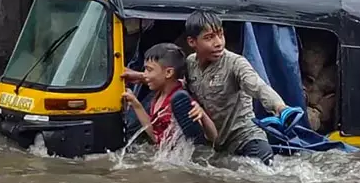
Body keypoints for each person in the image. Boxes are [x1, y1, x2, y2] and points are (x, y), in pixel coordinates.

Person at [123, 11, 289, 165]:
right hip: (214, 144)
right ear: (192, 42)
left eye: (220, 35)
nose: (218, 43)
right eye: (209, 38)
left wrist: (281, 108)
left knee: (267, 169)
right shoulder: (190, 63)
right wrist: (138, 76)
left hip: (244, 138)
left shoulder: (235, 63)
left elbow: (258, 86)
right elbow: (170, 80)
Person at [122, 43, 218, 145]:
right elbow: (155, 137)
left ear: (168, 73)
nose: (144, 74)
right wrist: (135, 104)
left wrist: (202, 114)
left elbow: (213, 137)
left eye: (149, 70)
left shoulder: (181, 102)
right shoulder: (159, 95)